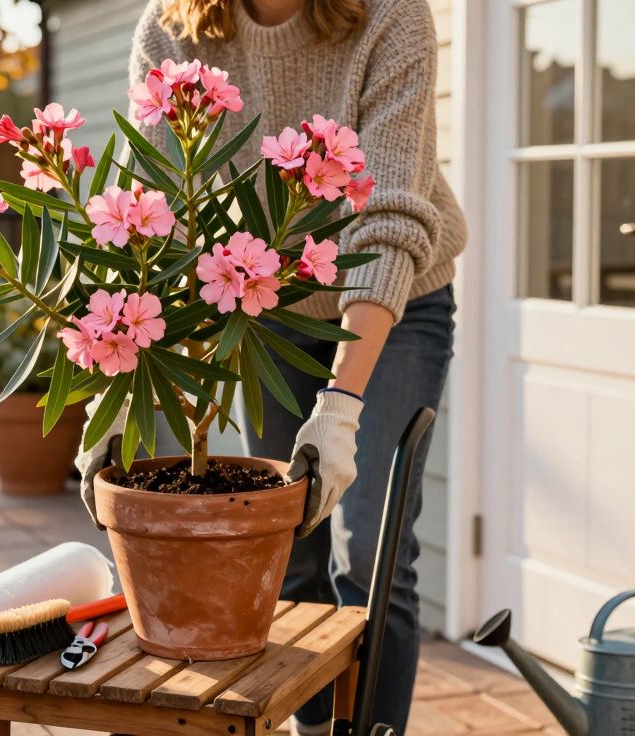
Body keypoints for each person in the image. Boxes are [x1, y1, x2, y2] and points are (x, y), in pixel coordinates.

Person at [77, 0, 465, 732]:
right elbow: (147, 216)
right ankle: (312, 727)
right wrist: (114, 403)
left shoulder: (391, 17)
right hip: (267, 315)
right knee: (287, 550)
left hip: (397, 304)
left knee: (376, 554)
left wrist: (342, 409)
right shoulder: (172, 27)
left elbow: (387, 221)